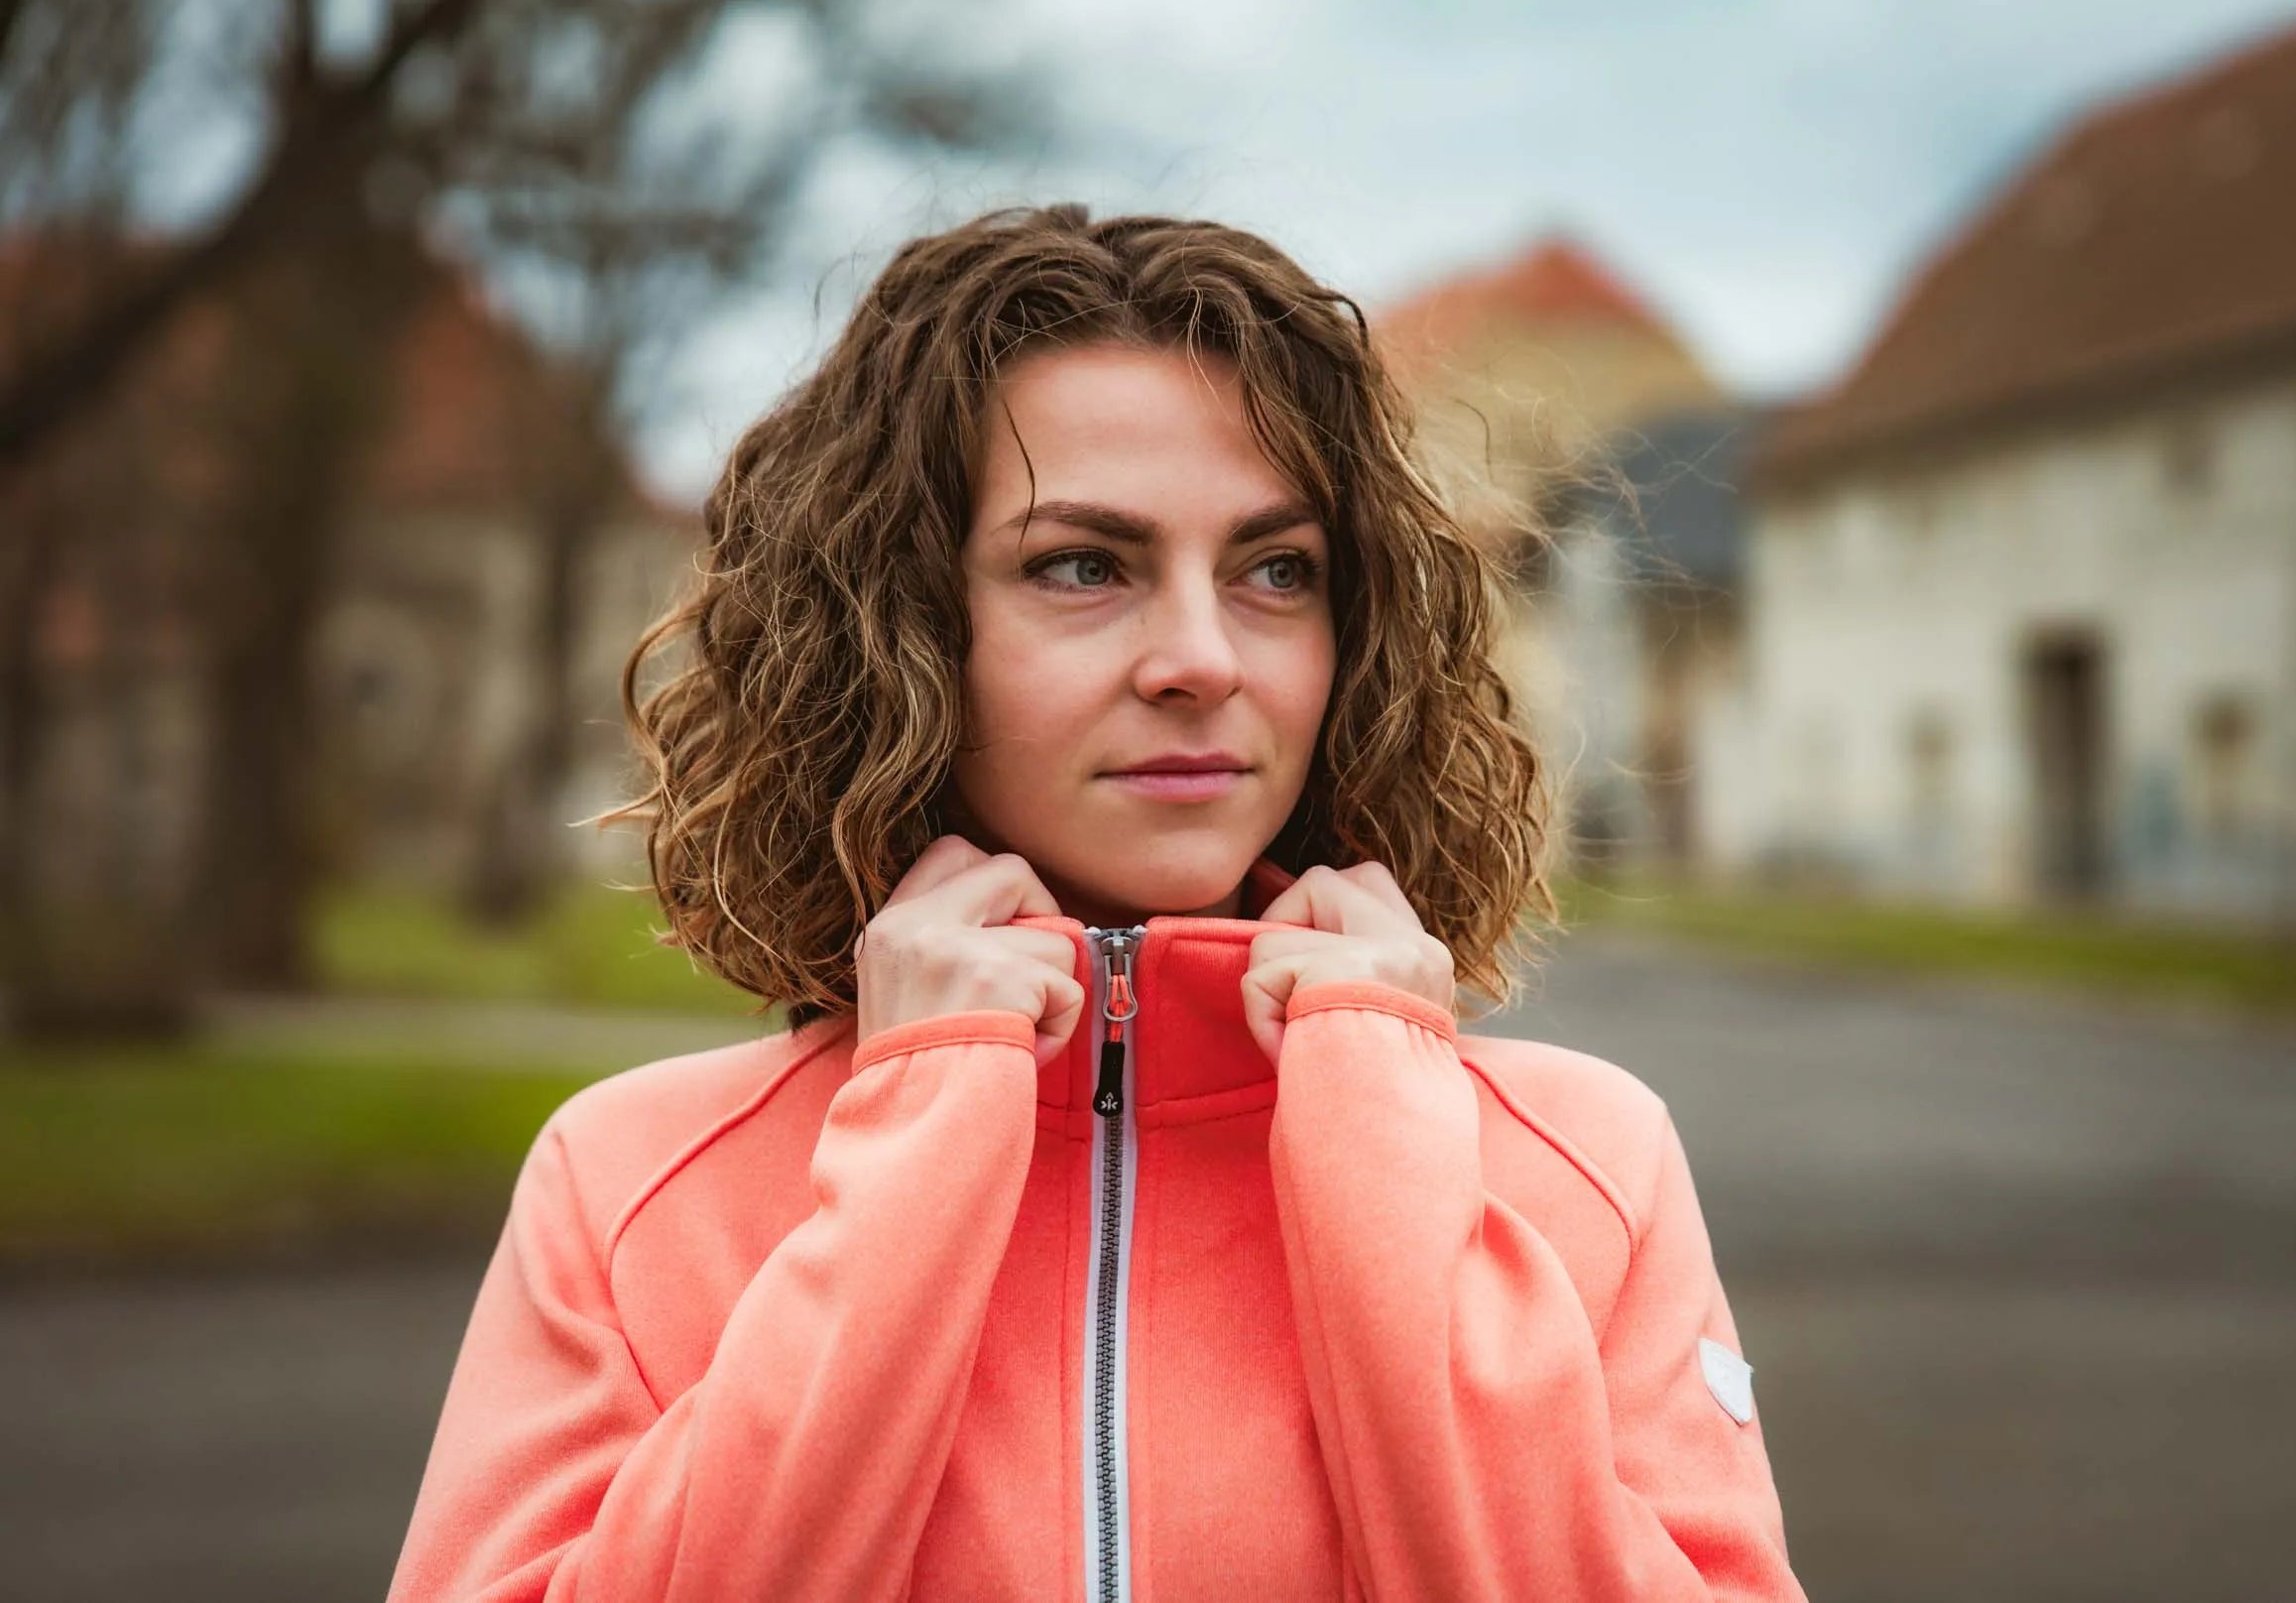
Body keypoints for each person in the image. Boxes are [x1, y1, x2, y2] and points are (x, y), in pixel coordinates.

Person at [386, 202, 1806, 1602]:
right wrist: (920, 1144)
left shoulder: (1589, 1167)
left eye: (1274, 570)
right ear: (904, 625)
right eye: (1084, 565)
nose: (1200, 658)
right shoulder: (632, 1188)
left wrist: (1382, 1131)